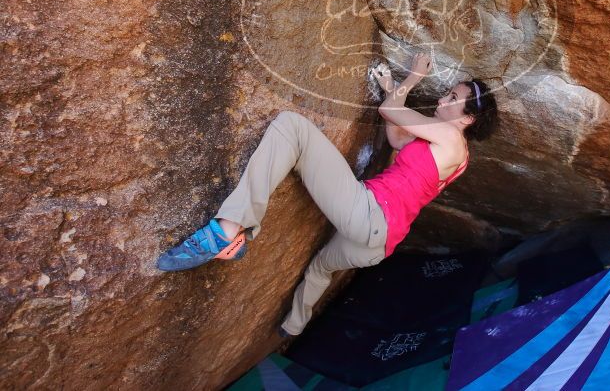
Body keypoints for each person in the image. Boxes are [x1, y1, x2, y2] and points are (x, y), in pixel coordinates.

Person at [156, 52, 499, 337]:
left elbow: (389, 114)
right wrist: (391, 87)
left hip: (370, 215)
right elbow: (397, 138)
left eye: (453, 99)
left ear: (468, 118)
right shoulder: (456, 154)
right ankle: (293, 327)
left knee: (292, 127)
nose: (442, 99)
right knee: (320, 268)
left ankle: (226, 231)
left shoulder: (451, 138)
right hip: (378, 244)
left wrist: (412, 77)